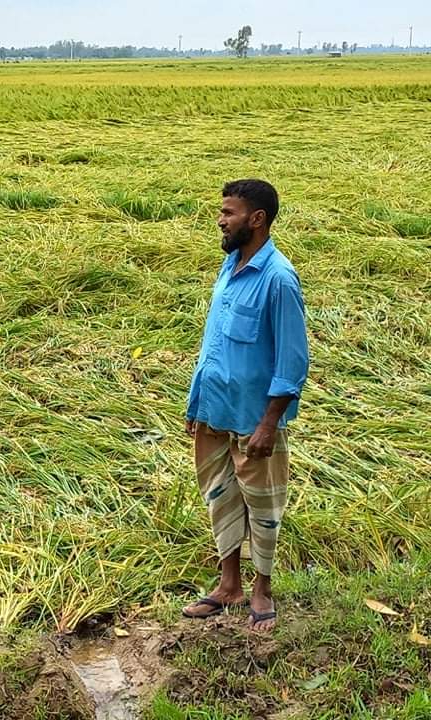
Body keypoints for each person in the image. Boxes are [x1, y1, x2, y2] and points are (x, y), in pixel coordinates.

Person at [182, 179, 309, 634]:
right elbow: (212, 343)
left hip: (254, 420)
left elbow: (292, 361)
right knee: (221, 500)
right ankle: (228, 585)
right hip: (215, 411)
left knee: (263, 505)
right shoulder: (230, 265)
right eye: (221, 211)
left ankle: (262, 590)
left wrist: (269, 423)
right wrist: (196, 404)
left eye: (229, 212)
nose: (220, 219)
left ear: (257, 219)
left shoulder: (278, 278)